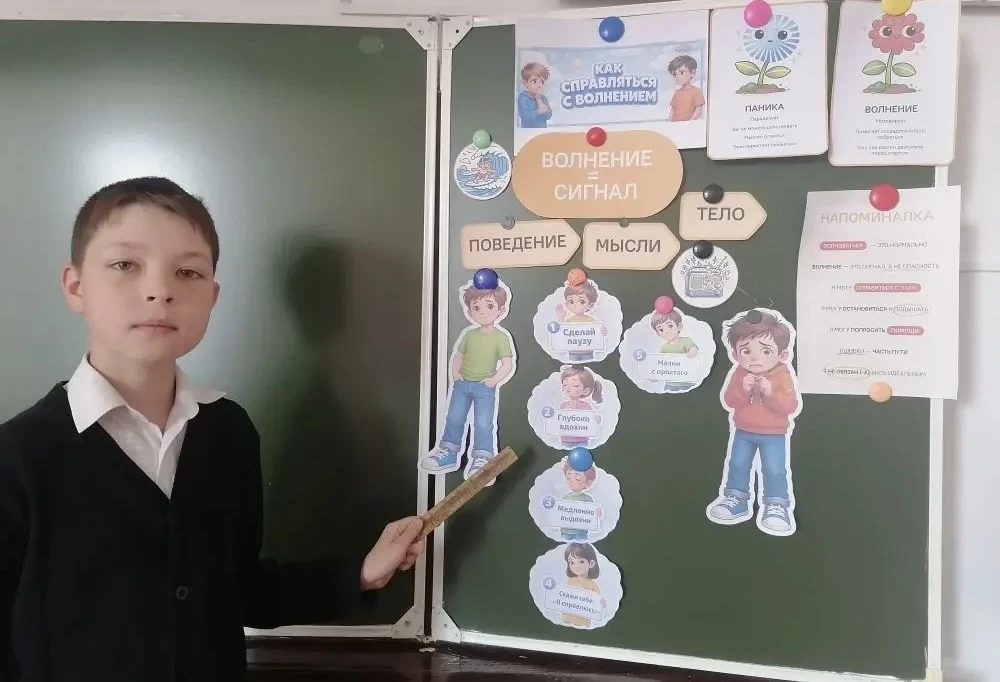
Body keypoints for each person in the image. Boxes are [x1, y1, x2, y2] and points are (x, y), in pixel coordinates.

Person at [0, 176, 426, 681]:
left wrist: (362, 573)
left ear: (213, 296)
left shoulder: (228, 432)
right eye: (125, 265)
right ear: (76, 287)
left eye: (188, 272)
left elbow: (238, 588)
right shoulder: (18, 458)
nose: (160, 291)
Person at [707, 310, 801, 536]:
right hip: (744, 431)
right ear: (735, 354)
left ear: (782, 354)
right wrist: (744, 389)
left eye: (765, 351)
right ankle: (736, 499)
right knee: (738, 464)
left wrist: (770, 394)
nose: (754, 358)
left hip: (774, 434)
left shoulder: (782, 374)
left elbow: (790, 405)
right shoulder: (740, 373)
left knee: (774, 469)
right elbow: (730, 400)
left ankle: (776, 505)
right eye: (746, 351)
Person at [667, 54, 705, 122]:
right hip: (675, 124)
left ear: (692, 73)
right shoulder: (677, 93)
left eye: (682, 72)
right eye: (675, 74)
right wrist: (669, 122)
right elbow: (673, 109)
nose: (678, 77)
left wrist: (691, 121)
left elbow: (699, 108)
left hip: (688, 125)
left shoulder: (696, 91)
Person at [517, 62, 553, 128]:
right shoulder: (523, 98)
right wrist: (538, 111)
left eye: (542, 82)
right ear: (525, 83)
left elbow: (548, 115)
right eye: (534, 81)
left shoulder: (543, 98)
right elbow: (525, 117)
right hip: (527, 131)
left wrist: (539, 100)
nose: (539, 85)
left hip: (542, 130)